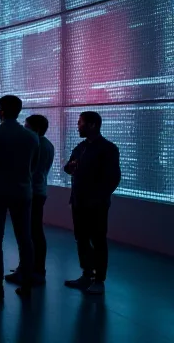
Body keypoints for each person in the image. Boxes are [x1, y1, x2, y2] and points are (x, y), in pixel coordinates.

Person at [0, 95, 39, 299]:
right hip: (23, 191)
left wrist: (0, 165)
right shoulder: (31, 136)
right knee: (25, 239)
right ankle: (27, 285)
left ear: (1, 111)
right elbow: (34, 166)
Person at [63, 111, 121, 295]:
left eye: (80, 123)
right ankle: (87, 275)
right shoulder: (80, 147)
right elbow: (67, 167)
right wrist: (70, 167)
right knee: (81, 239)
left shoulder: (108, 149)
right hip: (79, 202)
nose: (77, 126)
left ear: (92, 125)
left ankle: (99, 280)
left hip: (96, 204)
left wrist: (100, 197)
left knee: (98, 240)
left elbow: (113, 178)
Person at [24, 114, 54, 285]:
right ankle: (34, 268)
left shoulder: (36, 145)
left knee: (32, 232)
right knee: (33, 231)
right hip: (39, 191)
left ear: (36, 129)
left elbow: (30, 170)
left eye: (26, 126)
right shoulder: (47, 145)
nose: (24, 129)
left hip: (32, 192)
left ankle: (35, 270)